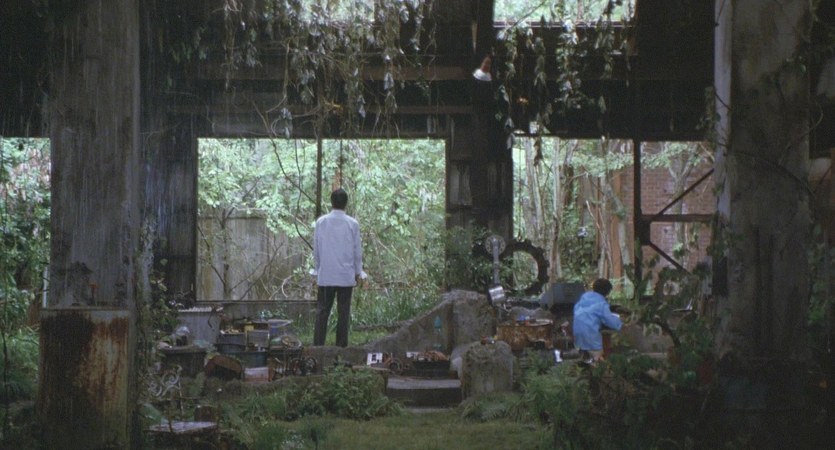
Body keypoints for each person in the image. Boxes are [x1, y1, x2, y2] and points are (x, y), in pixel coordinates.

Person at [311, 188, 367, 347]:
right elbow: (357, 251)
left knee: (322, 312)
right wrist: (358, 272)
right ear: (346, 203)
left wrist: (317, 269)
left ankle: (318, 346)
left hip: (326, 275)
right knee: (343, 313)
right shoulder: (352, 224)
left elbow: (317, 249)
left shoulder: (321, 222)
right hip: (345, 275)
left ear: (332, 202)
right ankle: (341, 348)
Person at [572, 278, 622, 362]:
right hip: (591, 338)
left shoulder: (582, 300)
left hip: (578, 337)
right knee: (597, 361)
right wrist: (621, 322)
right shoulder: (601, 303)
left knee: (584, 361)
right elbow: (610, 321)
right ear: (607, 292)